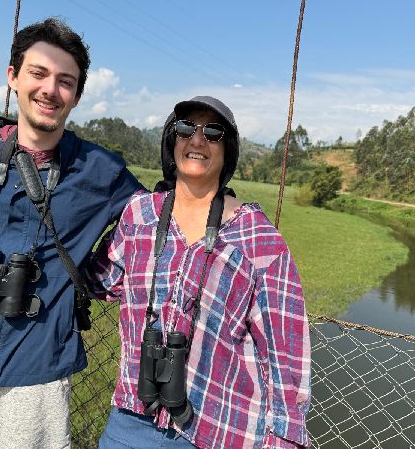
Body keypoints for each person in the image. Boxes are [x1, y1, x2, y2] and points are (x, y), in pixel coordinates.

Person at [0, 18, 142, 448]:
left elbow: (154, 219)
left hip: (38, 367)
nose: (49, 89)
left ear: (76, 95)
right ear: (13, 77)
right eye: (38, 73)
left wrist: (109, 270)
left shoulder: (102, 171)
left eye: (65, 81)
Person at [86, 96, 311, 448]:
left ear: (228, 151)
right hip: (131, 416)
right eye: (186, 127)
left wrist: (284, 438)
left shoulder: (259, 239)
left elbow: (285, 354)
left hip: (214, 428)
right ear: (171, 140)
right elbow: (99, 279)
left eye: (213, 132)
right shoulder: (139, 216)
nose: (197, 139)